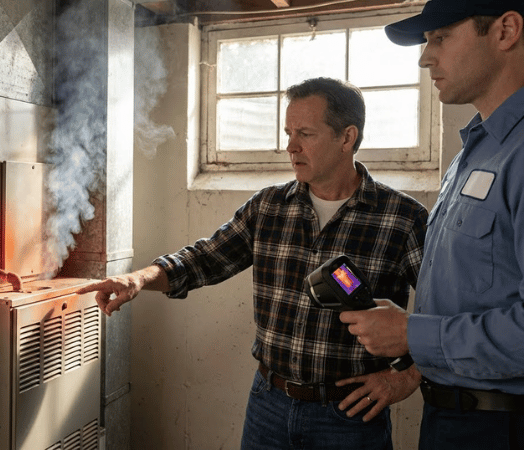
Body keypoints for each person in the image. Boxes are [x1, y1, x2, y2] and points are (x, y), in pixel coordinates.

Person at [77, 77, 428, 450]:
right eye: (288, 132)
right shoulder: (268, 207)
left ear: (346, 138)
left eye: (305, 134)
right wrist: (138, 279)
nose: (290, 146)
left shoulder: (403, 218)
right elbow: (203, 259)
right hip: (269, 406)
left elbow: (447, 315)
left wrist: (405, 378)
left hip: (349, 417)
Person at [339, 1, 524, 449]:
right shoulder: (475, 151)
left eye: (439, 37)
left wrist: (411, 333)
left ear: (506, 30)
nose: (425, 57)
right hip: (451, 417)